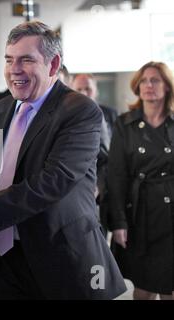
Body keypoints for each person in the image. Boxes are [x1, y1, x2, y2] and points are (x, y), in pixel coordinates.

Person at [0, 21, 126, 299]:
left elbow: (52, 182)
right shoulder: (1, 109)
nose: (14, 70)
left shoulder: (80, 111)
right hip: (6, 259)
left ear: (53, 64)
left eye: (26, 60)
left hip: (62, 261)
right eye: (9, 60)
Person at [108, 61, 174, 300]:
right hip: (139, 213)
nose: (148, 85)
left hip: (171, 214)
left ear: (167, 86)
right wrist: (118, 222)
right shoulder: (125, 123)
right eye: (144, 81)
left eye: (155, 80)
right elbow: (116, 176)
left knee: (170, 287)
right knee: (143, 288)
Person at [71, 73, 116, 234]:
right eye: (79, 89)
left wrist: (99, 186)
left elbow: (111, 156)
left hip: (100, 187)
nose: (83, 93)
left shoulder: (109, 114)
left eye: (88, 89)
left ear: (95, 90)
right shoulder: (65, 115)